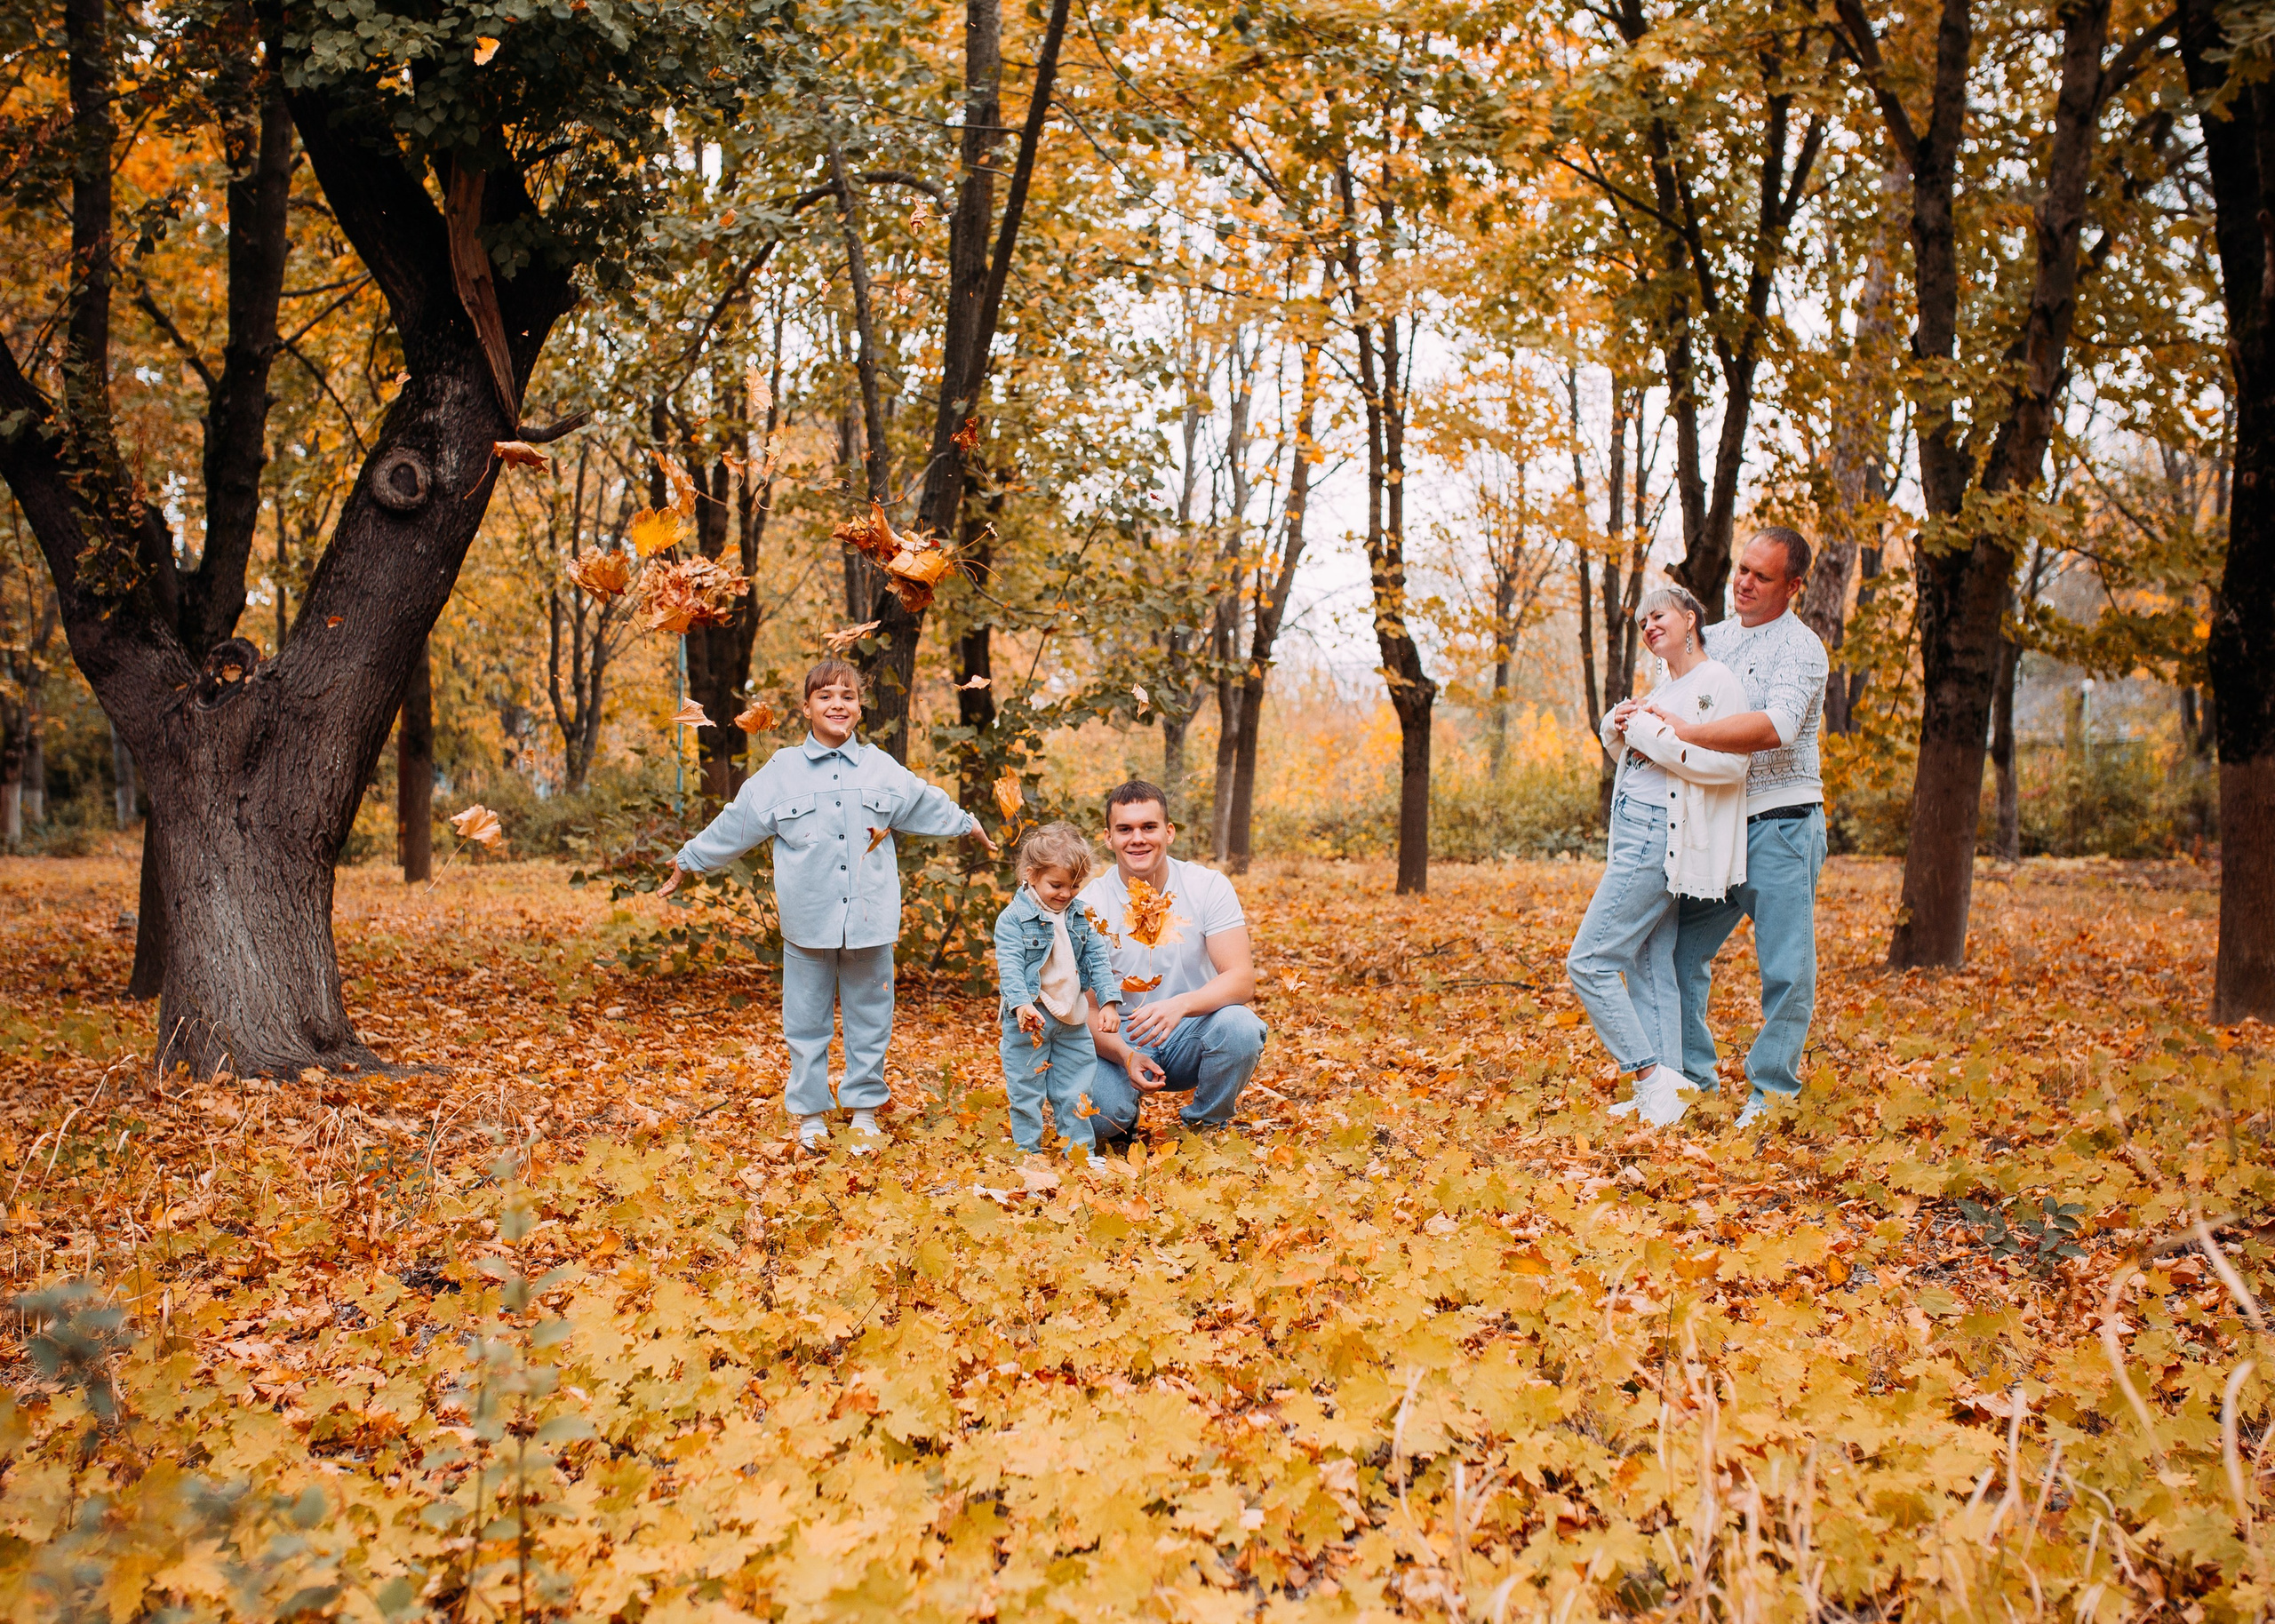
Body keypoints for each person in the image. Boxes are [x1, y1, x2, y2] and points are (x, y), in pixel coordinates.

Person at [658, 658, 997, 1152]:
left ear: (859, 709)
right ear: (806, 707)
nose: (837, 704)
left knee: (870, 1019)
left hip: (870, 919)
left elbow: (927, 801)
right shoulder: (781, 773)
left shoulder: (882, 768)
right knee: (806, 1022)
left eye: (847, 696)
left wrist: (968, 823)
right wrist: (688, 859)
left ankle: (863, 1112)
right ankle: (811, 1115)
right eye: (825, 696)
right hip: (807, 920)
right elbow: (737, 823)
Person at [1641, 528, 1831, 1128]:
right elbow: (1663, 699)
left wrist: (1690, 732)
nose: (1745, 582)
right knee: (1677, 955)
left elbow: (1775, 725)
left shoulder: (1802, 649)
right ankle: (1694, 1079)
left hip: (1783, 824)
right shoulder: (1710, 640)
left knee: (1786, 969)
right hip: (1716, 826)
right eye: (1743, 568)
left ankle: (1771, 1094)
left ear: (1793, 586)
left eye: (1762, 575)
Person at [1566, 585, 1752, 1127]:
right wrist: (1617, 728)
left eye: (1660, 615)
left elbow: (1729, 767)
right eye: (1643, 621)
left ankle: (1649, 1076)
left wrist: (1649, 729)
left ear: (1690, 619)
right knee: (1649, 964)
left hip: (1658, 835)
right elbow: (1646, 758)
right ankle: (1669, 1101)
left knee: (1590, 961)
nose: (1649, 626)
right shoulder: (1666, 684)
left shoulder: (1716, 682)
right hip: (1631, 829)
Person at [1080, 781, 1267, 1144]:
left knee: (1241, 1027)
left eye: (1148, 827)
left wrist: (1180, 1006)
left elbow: (1242, 979)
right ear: (1108, 837)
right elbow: (1083, 1011)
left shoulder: (1207, 886)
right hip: (1118, 1037)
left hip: (1190, 1030)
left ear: (1169, 832)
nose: (1137, 838)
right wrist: (1125, 1054)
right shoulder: (1089, 906)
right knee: (1098, 1122)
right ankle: (1123, 1118)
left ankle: (1205, 1126)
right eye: (1125, 829)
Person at [994, 823, 1124, 1164]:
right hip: (1031, 1018)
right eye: (1057, 885)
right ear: (1031, 874)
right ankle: (1028, 1153)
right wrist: (1021, 1004)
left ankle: (1079, 1152)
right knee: (1026, 1089)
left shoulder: (1080, 914)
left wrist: (1109, 1001)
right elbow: (1009, 965)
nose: (1066, 894)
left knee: (1077, 1088)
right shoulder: (1013, 920)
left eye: (1075, 886)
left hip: (1073, 1018)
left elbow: (1097, 956)